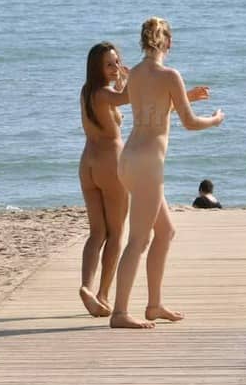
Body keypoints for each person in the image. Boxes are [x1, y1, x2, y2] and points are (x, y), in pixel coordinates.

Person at [111, 17, 224, 329]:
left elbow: (154, 109)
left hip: (129, 160)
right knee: (138, 240)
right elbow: (190, 123)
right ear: (169, 43)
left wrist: (187, 96)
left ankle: (154, 305)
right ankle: (119, 313)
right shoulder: (170, 75)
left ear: (143, 41)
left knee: (165, 232)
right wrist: (215, 120)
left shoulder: (135, 73)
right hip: (148, 165)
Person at [78, 41, 130, 317]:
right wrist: (133, 78)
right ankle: (103, 295)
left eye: (117, 62)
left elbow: (116, 102)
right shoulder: (105, 93)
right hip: (110, 164)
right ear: (96, 67)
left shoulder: (87, 92)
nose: (115, 67)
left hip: (88, 163)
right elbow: (128, 98)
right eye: (109, 64)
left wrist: (120, 82)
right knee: (117, 233)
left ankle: (87, 288)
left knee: (97, 233)